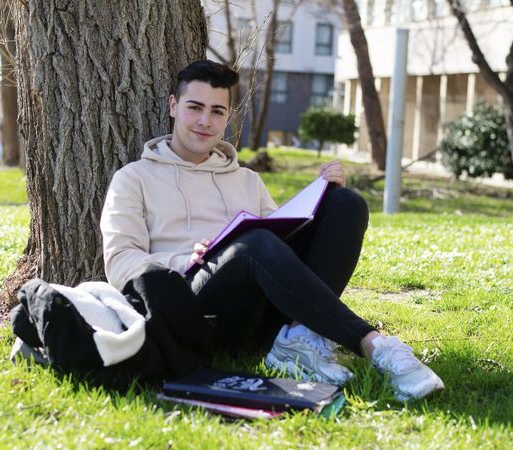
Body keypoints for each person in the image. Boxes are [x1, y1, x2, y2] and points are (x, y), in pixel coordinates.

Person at [100, 60, 444, 401]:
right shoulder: (134, 179)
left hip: (261, 313)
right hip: (195, 310)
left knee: (346, 203)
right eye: (195, 108)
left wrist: (321, 196)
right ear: (174, 106)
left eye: (217, 111)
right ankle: (374, 345)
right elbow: (120, 263)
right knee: (253, 244)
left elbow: (282, 245)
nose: (205, 121)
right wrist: (182, 259)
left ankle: (299, 338)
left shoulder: (246, 179)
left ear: (229, 116)